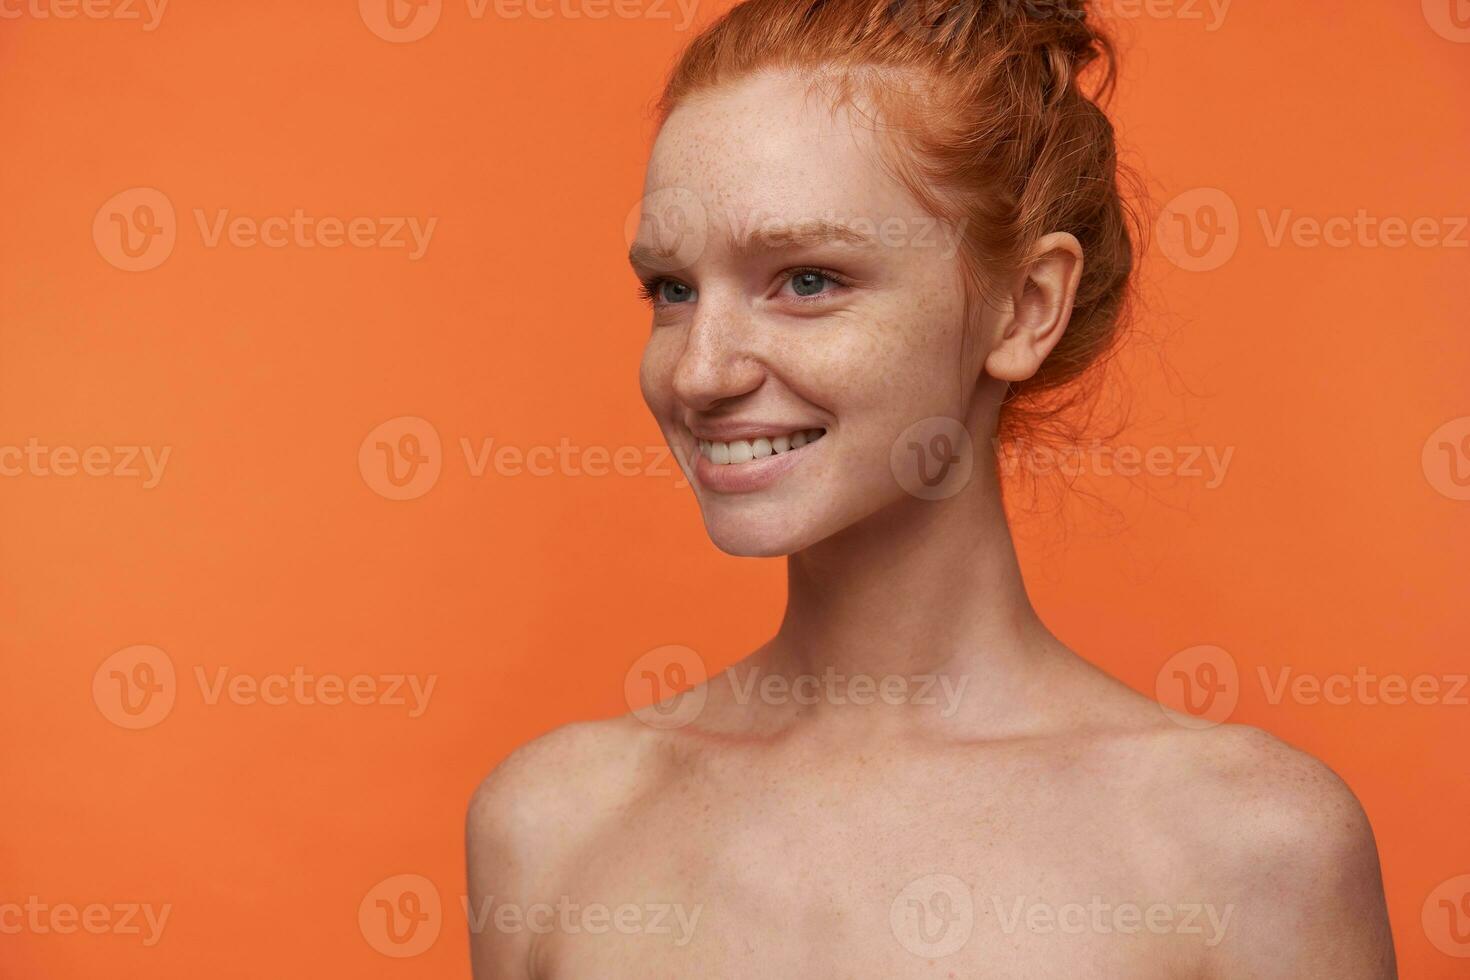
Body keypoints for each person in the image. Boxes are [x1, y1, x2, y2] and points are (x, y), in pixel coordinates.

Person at [468, 0, 1396, 974]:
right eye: (673, 288)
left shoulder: (1248, 848)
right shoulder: (553, 825)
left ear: (1025, 307)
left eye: (809, 279)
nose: (700, 372)